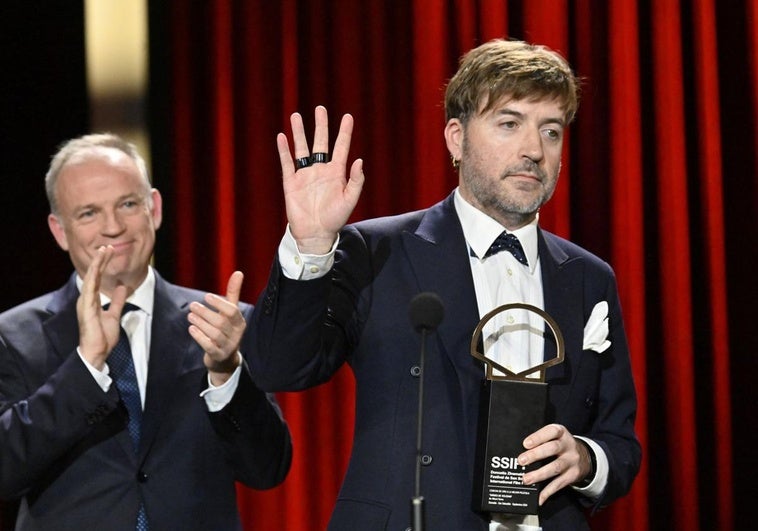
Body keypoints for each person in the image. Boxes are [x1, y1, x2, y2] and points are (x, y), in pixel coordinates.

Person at [251, 38, 641, 530]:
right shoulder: (377, 252)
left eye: (551, 131)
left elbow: (620, 444)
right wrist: (309, 248)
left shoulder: (588, 278)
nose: (533, 150)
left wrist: (585, 459)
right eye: (509, 123)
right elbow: (278, 367)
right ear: (456, 139)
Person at [0, 133, 292, 530]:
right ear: (60, 230)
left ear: (154, 208)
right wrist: (86, 366)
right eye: (88, 213)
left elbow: (267, 468)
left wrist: (227, 373)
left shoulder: (221, 323)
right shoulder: (14, 335)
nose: (113, 227)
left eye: (127, 204)